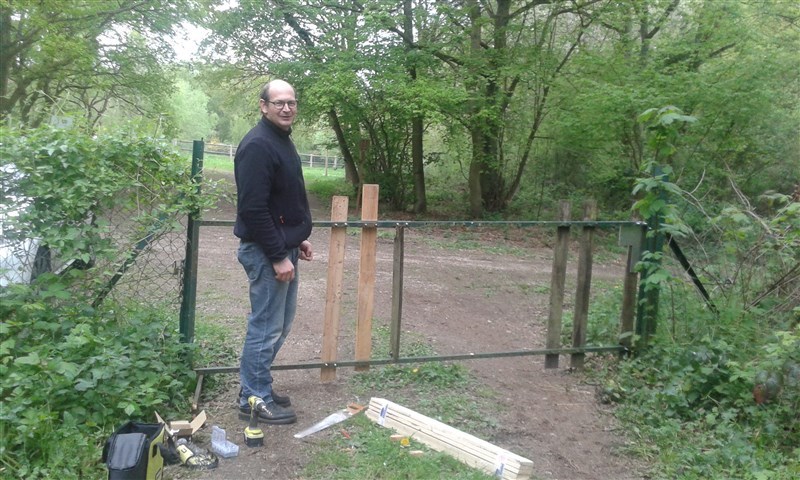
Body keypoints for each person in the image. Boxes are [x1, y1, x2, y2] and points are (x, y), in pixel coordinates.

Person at [233, 79, 313, 424]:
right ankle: (254, 398)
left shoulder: (281, 139)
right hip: (267, 254)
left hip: (282, 246)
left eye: (291, 102)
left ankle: (256, 385)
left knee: (279, 325)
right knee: (265, 328)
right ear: (263, 106)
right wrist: (279, 254)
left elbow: (282, 198)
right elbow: (253, 209)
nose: (286, 108)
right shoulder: (258, 145)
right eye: (278, 102)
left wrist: (295, 238)